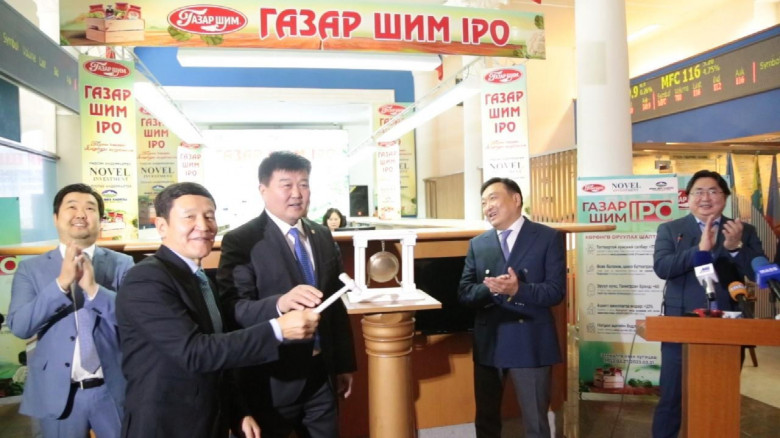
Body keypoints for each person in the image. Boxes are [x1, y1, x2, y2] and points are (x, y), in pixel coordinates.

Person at [117, 182, 320, 438]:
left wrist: (238, 412)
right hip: (166, 426)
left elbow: (221, 358)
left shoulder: (201, 279)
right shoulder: (146, 279)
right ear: (161, 226)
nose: (203, 226)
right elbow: (195, 352)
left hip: (210, 421)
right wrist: (277, 330)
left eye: (209, 216)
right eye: (189, 217)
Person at [218, 151, 357, 438]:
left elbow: (335, 304)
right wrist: (279, 304)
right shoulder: (242, 240)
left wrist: (344, 364)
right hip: (270, 380)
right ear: (263, 190)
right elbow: (233, 308)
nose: (297, 193)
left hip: (321, 374)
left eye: (304, 184)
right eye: (286, 185)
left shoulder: (322, 235)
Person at [7, 183, 132, 438]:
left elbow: (135, 320)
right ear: (56, 218)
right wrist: (60, 284)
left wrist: (94, 289)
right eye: (72, 207)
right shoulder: (30, 269)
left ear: (100, 220)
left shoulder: (123, 264)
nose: (81, 214)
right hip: (57, 393)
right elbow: (20, 326)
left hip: (113, 389)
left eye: (90, 208)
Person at [651, 169, 764, 438]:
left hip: (728, 325)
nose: (705, 198)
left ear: (725, 197)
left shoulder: (742, 231)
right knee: (672, 397)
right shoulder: (671, 229)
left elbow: (756, 272)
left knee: (720, 397)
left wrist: (735, 247)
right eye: (698, 192)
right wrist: (700, 250)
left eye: (713, 191)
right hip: (681, 324)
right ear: (688, 198)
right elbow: (662, 267)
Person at [458, 177, 565, 438]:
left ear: (516, 199)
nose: (487, 207)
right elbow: (465, 293)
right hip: (490, 342)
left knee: (535, 422)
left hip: (530, 340)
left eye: (493, 198)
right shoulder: (478, 244)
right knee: (486, 422)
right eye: (483, 202)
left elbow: (555, 291)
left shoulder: (547, 237)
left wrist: (519, 290)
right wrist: (492, 289)